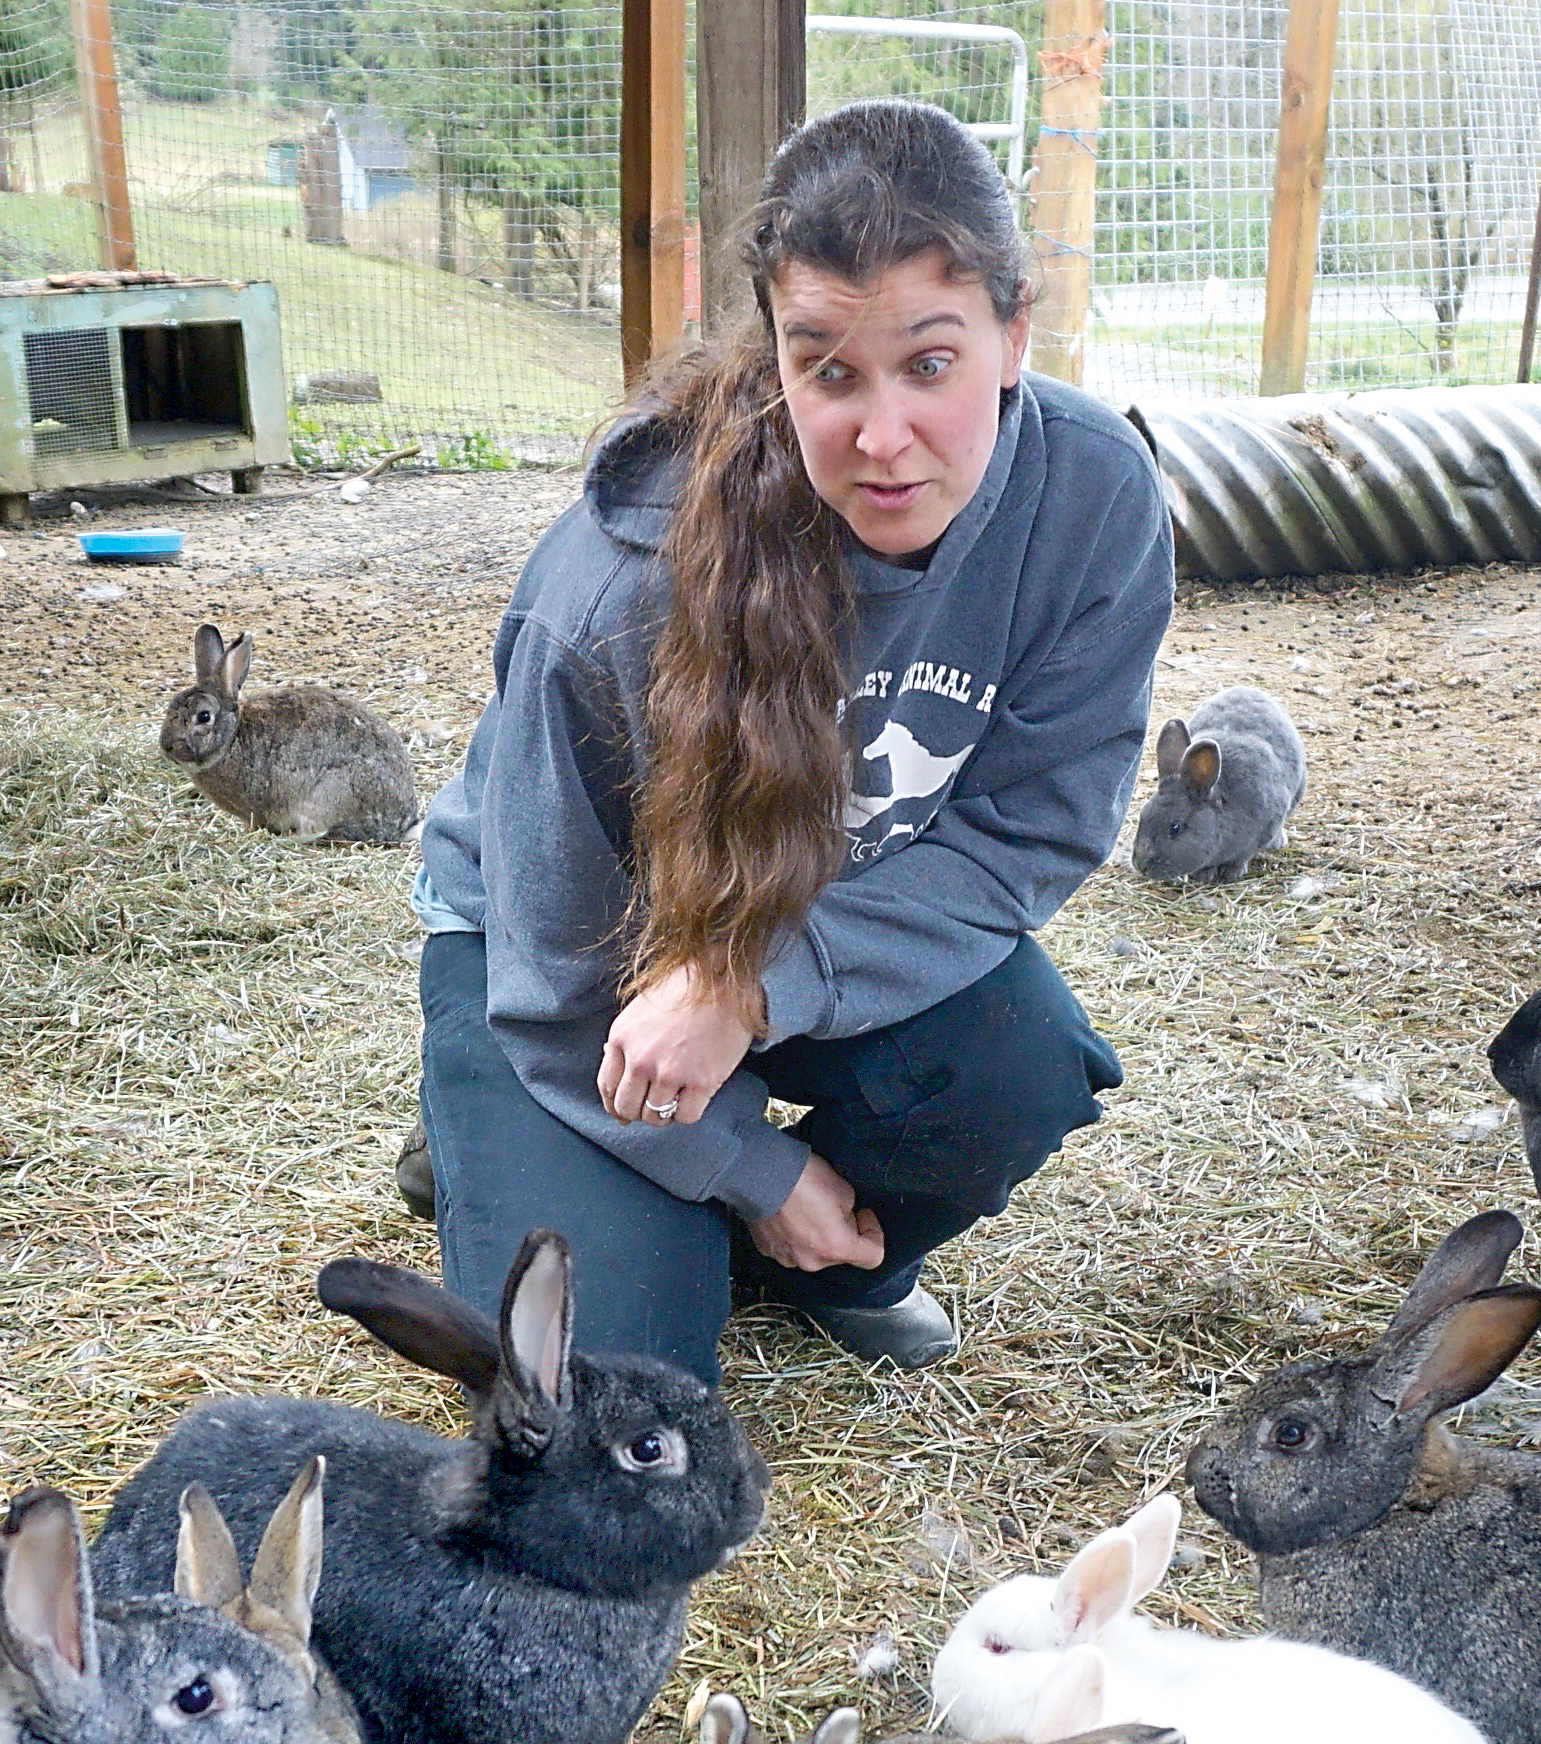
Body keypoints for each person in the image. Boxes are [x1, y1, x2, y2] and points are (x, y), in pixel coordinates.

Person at [412, 97, 1176, 1377]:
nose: (883, 438)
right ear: (773, 353)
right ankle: (496, 1138)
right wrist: (749, 1165)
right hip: (560, 977)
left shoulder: (1092, 499)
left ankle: (776, 1254)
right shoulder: (614, 589)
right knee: (612, 1395)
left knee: (1019, 1066)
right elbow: (550, 980)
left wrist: (753, 981)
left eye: (929, 363)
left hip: (804, 931)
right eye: (828, 368)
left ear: (1012, 337)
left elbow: (1025, 834)